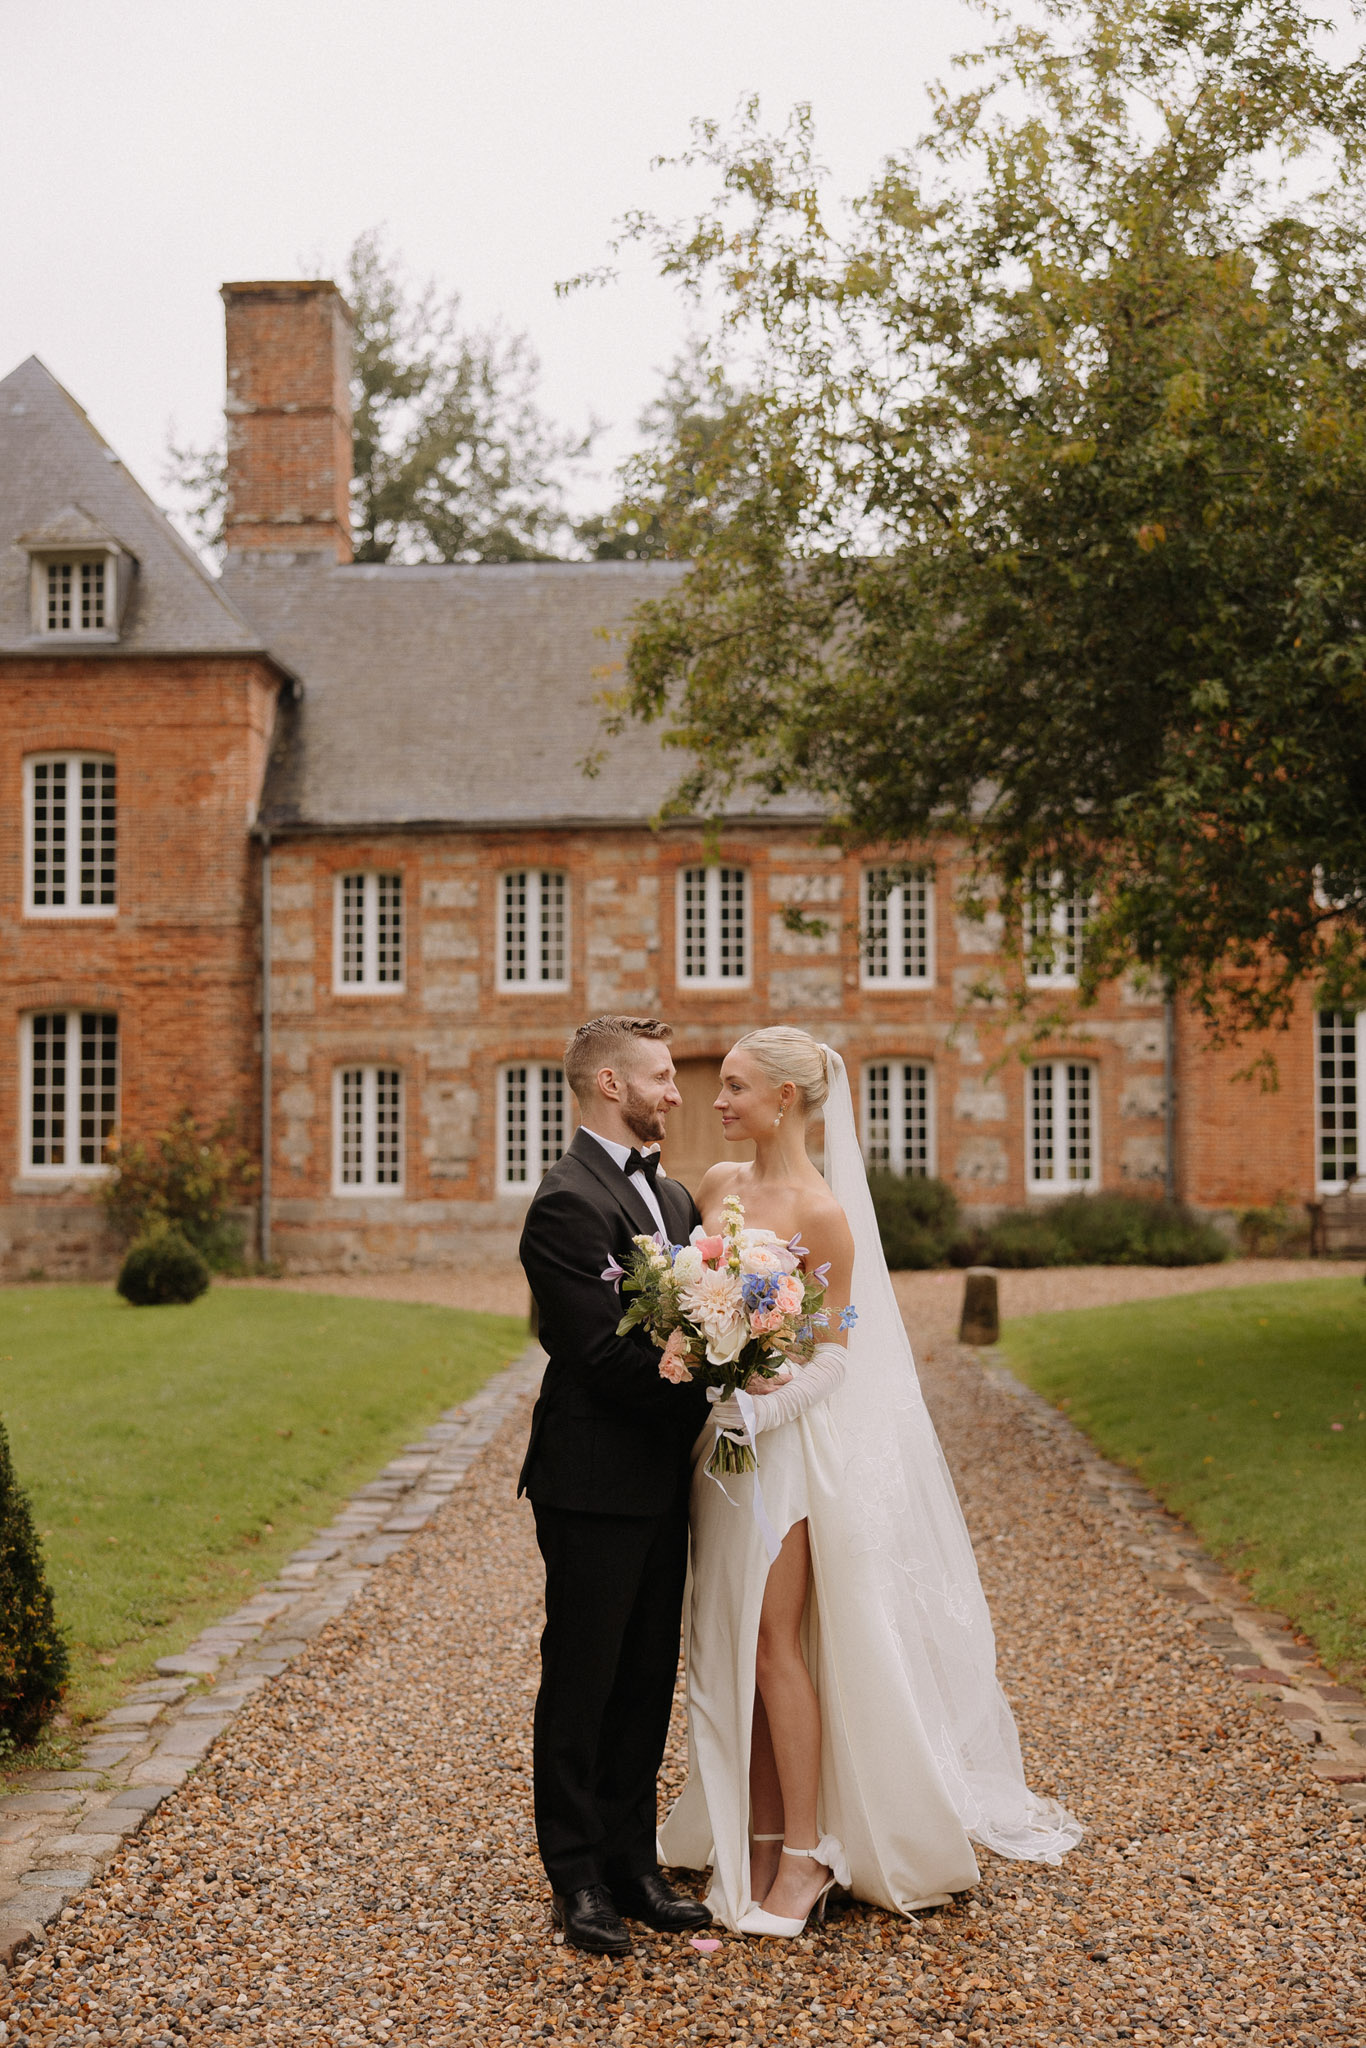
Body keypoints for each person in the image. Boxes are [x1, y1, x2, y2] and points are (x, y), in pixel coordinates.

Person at [658, 1027, 1082, 1935]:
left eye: (734, 1088)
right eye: (719, 1086)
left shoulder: (822, 1212)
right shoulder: (718, 1188)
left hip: (787, 1449)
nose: (717, 1103)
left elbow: (838, 1350)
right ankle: (760, 1837)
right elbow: (690, 1301)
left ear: (786, 1100)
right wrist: (699, 1356)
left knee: (777, 1642)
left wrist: (766, 1408)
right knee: (731, 1644)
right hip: (718, 1448)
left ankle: (809, 1856)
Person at [518, 1015, 713, 1955]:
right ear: (608, 1085)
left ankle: (636, 1861)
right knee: (586, 1674)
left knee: (646, 1674)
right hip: (593, 1476)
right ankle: (578, 1875)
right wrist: (720, 1379)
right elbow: (598, 1353)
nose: (676, 1093)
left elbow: (697, 1312)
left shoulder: (673, 1197)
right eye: (663, 1078)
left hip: (663, 1473)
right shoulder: (565, 1203)